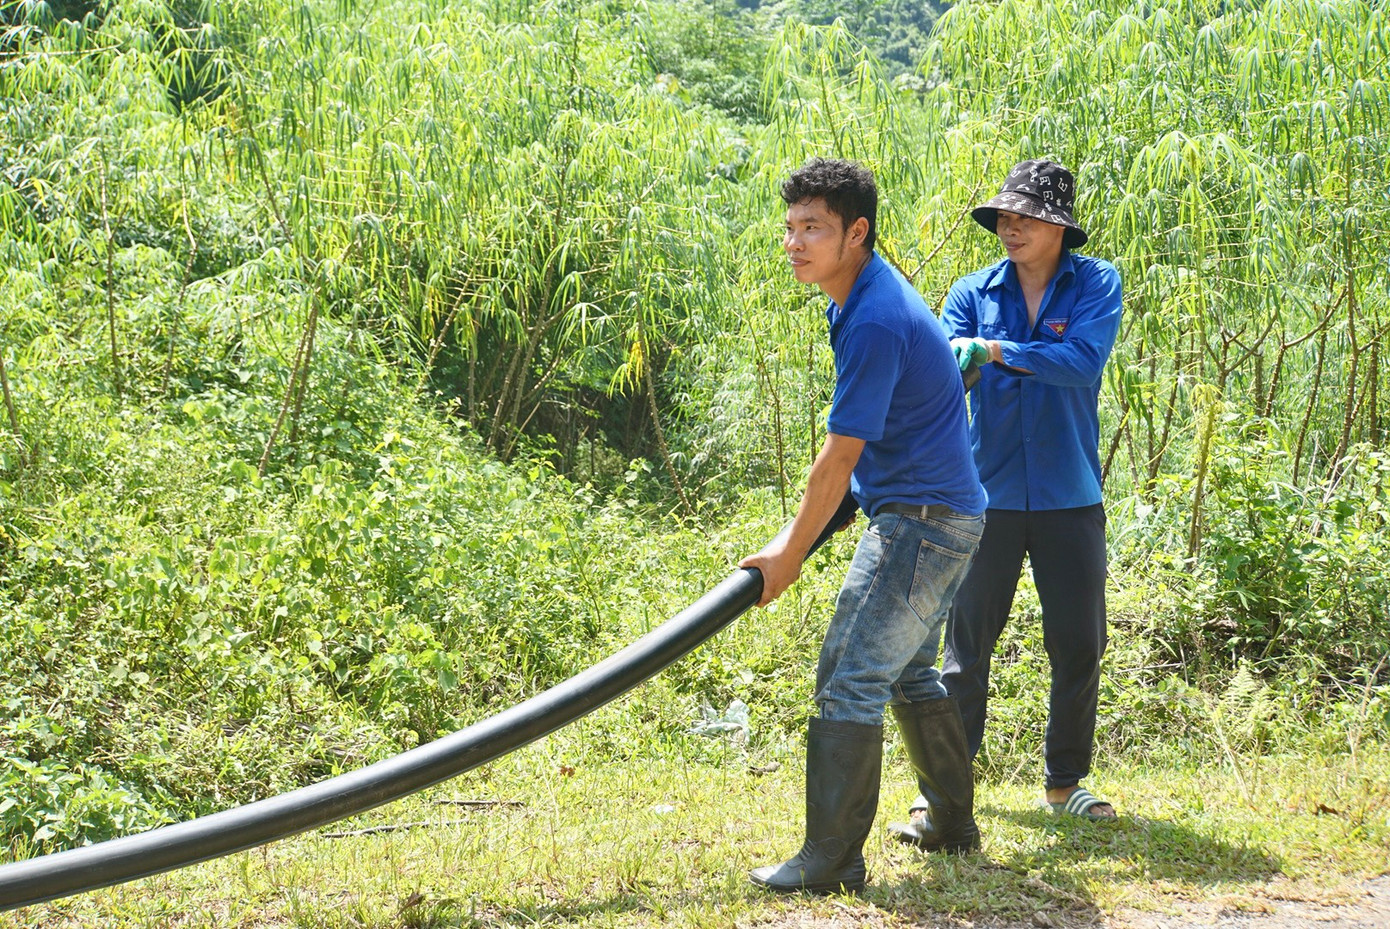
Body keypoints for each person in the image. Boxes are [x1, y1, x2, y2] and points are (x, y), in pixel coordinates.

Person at [739, 158, 988, 895]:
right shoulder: (854, 299)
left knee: (847, 677)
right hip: (943, 512)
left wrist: (788, 552)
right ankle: (949, 822)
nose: (794, 242)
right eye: (789, 227)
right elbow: (873, 443)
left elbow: (839, 453)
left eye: (812, 227)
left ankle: (832, 859)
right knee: (906, 670)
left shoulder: (875, 315)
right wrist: (820, 523)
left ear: (858, 232)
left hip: (923, 520)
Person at [893, 159, 1123, 843]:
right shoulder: (971, 291)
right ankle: (945, 795)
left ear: (1060, 226)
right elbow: (940, 376)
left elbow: (1083, 361)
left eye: (1025, 216)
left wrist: (994, 350)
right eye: (1004, 217)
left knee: (1079, 643)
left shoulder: (1097, 284)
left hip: (1069, 495)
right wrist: (956, 362)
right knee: (965, 651)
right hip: (983, 495)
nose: (1010, 227)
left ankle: (1065, 785)